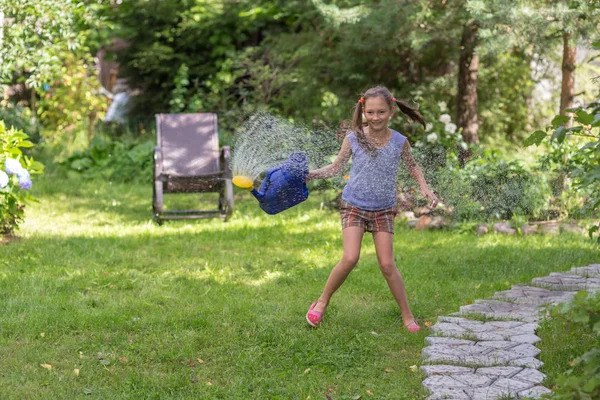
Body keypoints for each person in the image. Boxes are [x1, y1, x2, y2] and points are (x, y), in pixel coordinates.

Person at [305, 86, 439, 332]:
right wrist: (310, 175)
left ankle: (407, 316)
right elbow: (335, 168)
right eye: (370, 112)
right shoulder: (354, 137)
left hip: (383, 210)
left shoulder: (399, 141)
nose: (375, 117)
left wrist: (425, 188)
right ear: (363, 110)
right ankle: (321, 303)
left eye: (381, 112)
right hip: (354, 205)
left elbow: (413, 167)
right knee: (350, 258)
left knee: (387, 265)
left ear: (391, 112)